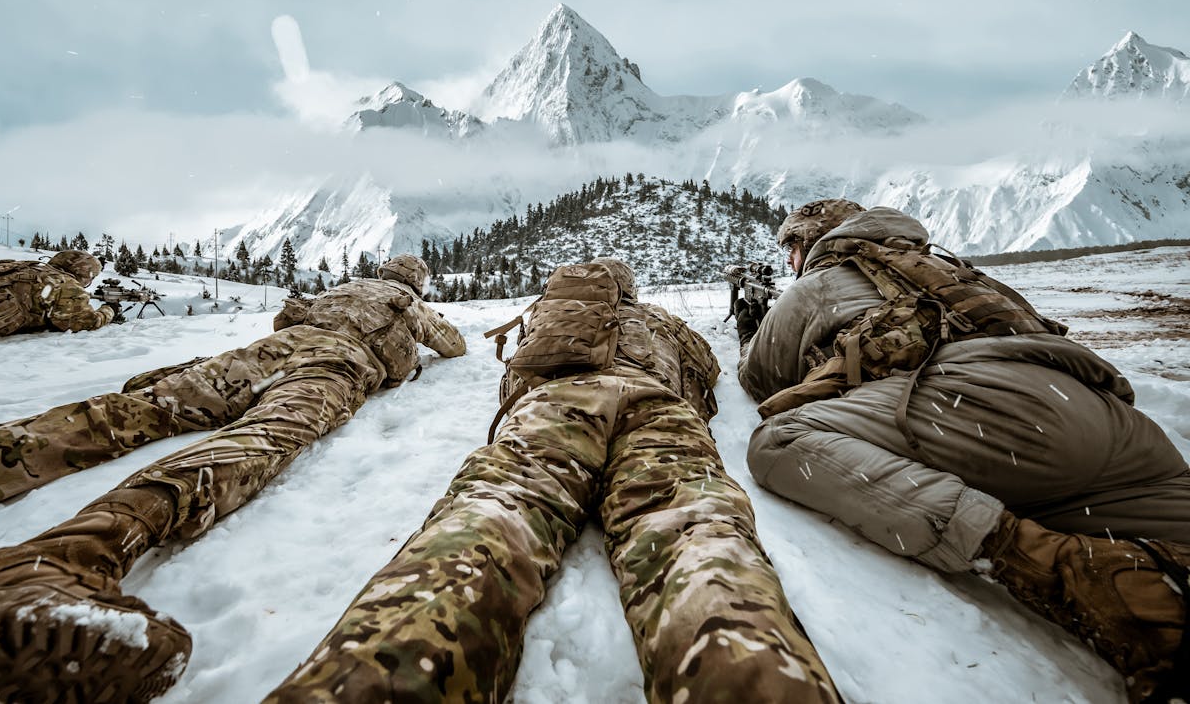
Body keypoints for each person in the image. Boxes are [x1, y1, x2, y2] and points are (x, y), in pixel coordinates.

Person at [265, 257, 840, 704]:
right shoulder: (663, 322)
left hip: (552, 410)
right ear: (631, 292)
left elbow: (514, 378)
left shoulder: (551, 314)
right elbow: (708, 373)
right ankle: (754, 672)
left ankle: (374, 675)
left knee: (491, 516)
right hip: (658, 410)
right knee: (695, 530)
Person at [0, 254, 465, 704]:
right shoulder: (407, 303)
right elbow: (453, 345)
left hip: (261, 353)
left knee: (133, 411)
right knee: (261, 438)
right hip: (333, 365)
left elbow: (284, 319)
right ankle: (67, 559)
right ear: (414, 283)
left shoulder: (342, 288)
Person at [736, 199, 1189, 702]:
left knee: (780, 440)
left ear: (811, 241)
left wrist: (752, 327)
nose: (789, 263)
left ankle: (1039, 559)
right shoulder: (958, 272)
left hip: (979, 408)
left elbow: (761, 378)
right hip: (1106, 418)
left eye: (791, 249)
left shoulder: (822, 282)